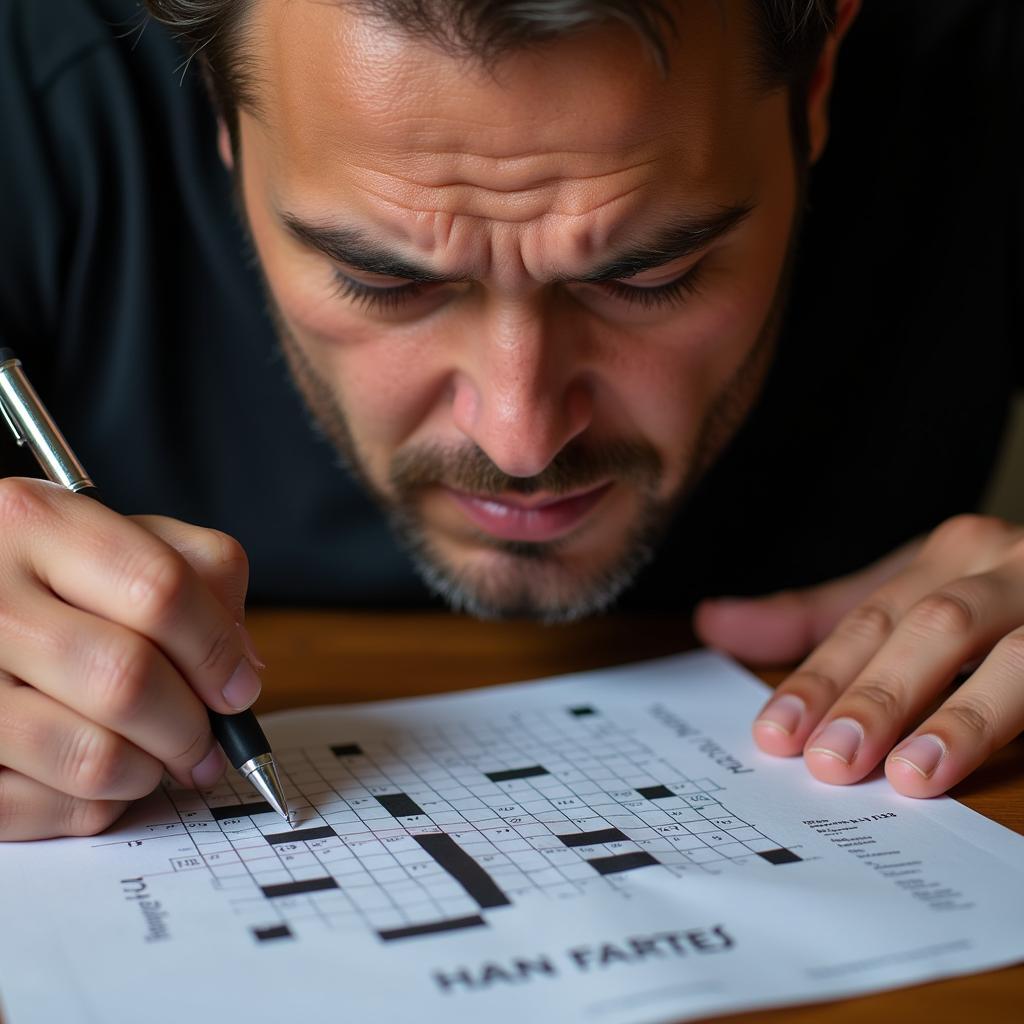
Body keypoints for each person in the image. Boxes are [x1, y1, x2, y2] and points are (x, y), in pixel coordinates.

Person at [0, 0, 1020, 842]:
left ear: (815, 86)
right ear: (221, 114)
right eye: (381, 277)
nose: (519, 437)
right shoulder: (32, 87)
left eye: (647, 275)